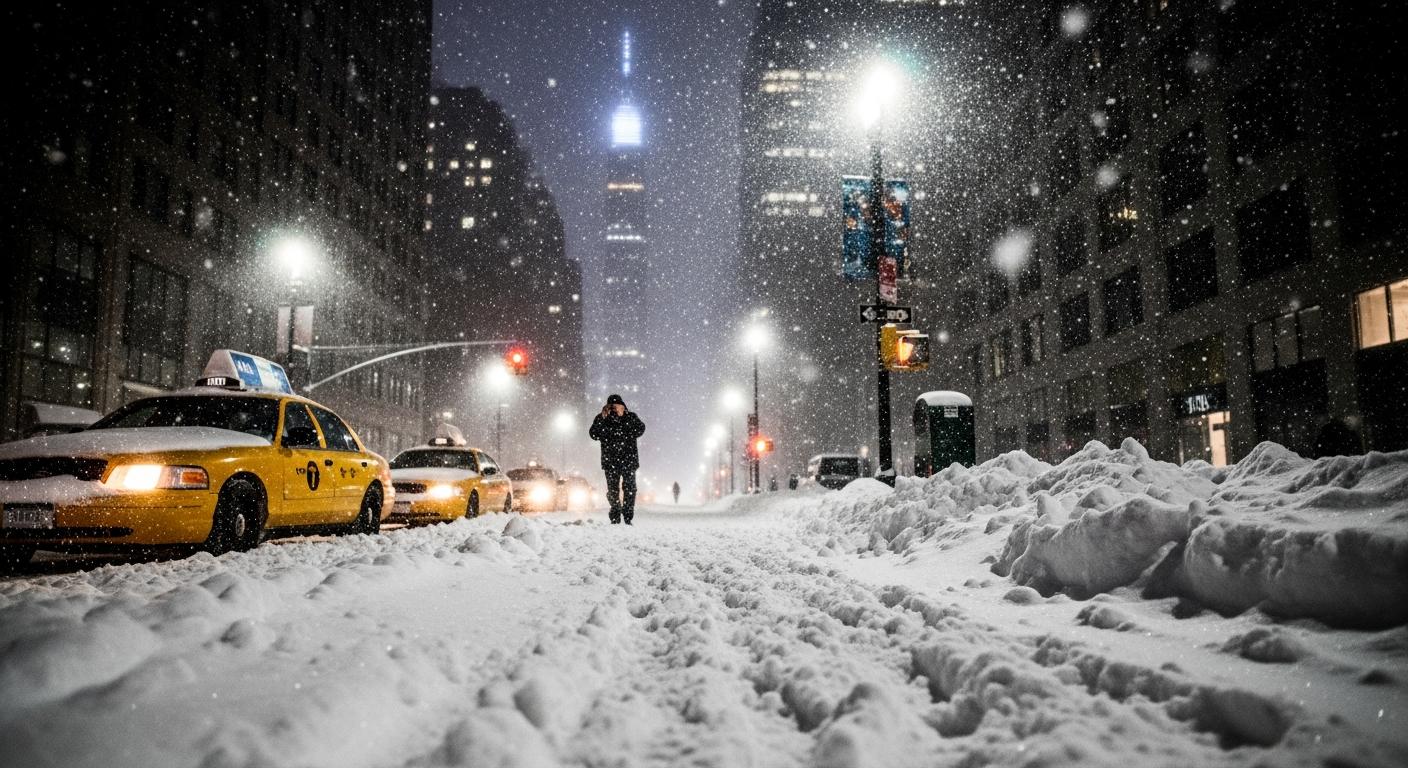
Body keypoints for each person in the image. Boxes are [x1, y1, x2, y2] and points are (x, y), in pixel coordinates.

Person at [589, 394, 646, 524]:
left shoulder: (630, 417)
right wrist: (602, 418)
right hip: (610, 461)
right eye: (611, 406)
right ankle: (615, 514)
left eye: (617, 406)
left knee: (630, 489)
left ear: (623, 406)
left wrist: (626, 419)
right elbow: (593, 434)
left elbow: (641, 429)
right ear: (607, 407)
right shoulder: (602, 418)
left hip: (629, 460)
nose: (614, 409)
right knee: (612, 490)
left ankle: (627, 515)